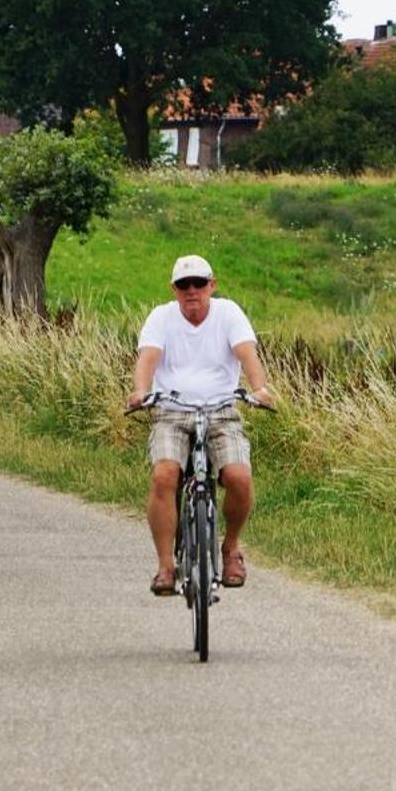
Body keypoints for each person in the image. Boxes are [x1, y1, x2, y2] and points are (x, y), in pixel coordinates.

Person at [125, 254, 272, 596]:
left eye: (199, 284)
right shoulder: (161, 317)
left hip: (221, 410)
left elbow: (247, 353)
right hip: (172, 411)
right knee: (164, 475)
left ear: (212, 285)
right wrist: (140, 392)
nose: (192, 291)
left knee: (239, 477)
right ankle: (165, 566)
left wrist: (260, 389)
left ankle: (231, 548)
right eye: (184, 285)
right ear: (174, 290)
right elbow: (147, 359)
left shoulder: (228, 313)